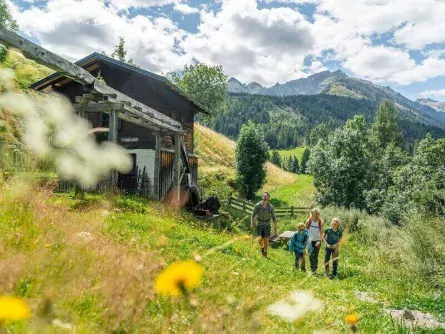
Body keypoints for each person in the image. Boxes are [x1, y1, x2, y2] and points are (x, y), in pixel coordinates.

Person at [251, 192, 277, 257]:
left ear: (268, 198)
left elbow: (274, 217)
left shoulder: (270, 207)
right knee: (259, 239)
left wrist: (275, 226)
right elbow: (253, 215)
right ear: (262, 197)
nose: (265, 197)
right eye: (264, 195)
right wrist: (252, 223)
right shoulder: (257, 205)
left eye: (266, 196)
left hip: (267, 224)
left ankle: (265, 251)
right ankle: (262, 247)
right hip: (259, 224)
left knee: (266, 238)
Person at [305, 208, 323, 274]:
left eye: (314, 212)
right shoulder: (308, 221)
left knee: (315, 255)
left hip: (317, 240)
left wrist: (319, 241)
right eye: (311, 212)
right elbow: (305, 231)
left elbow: (321, 233)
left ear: (317, 214)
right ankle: (313, 269)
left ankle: (315, 269)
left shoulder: (320, 222)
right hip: (310, 240)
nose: (312, 213)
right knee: (311, 254)